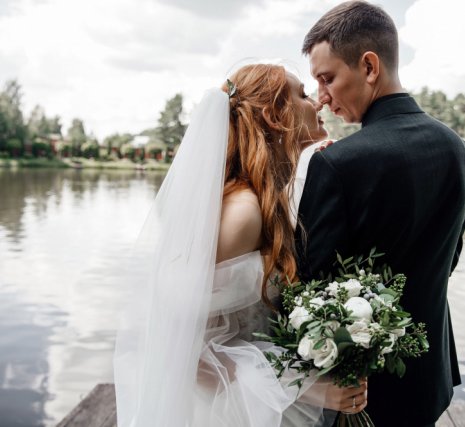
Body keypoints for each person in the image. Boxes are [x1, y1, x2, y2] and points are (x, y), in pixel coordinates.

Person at [113, 64, 366, 427]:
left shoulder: (266, 198)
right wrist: (308, 388)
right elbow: (186, 352)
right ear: (274, 117)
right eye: (303, 95)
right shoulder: (243, 213)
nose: (319, 102)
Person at [294, 2, 465, 426]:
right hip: (429, 380)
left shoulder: (337, 164)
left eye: (327, 78)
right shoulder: (457, 148)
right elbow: (449, 259)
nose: (322, 97)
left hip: (357, 394)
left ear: (369, 67)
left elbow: (310, 287)